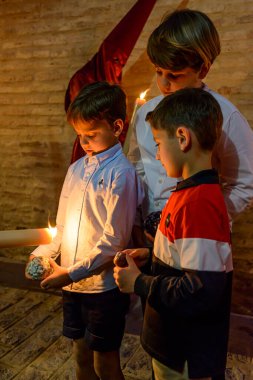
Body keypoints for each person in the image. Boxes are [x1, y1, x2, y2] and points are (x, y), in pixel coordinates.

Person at [26, 81, 144, 380]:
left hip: (103, 289)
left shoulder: (122, 174)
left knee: (104, 362)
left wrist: (70, 272)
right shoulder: (75, 169)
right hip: (71, 286)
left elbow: (112, 242)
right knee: (80, 355)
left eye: (90, 135)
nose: (84, 142)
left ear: (117, 127)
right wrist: (41, 255)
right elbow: (62, 227)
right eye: (79, 135)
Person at [114, 87, 233, 380]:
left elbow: (201, 291)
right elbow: (185, 262)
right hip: (172, 346)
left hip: (185, 356)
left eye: (157, 143)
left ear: (182, 138)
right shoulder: (188, 192)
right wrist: (153, 258)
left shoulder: (199, 204)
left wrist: (140, 283)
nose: (156, 153)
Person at [127, 8, 253, 242]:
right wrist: (135, 223)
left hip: (199, 237)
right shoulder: (146, 112)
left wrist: (200, 219)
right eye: (158, 72)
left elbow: (243, 184)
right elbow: (139, 169)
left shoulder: (227, 117)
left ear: (202, 69)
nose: (163, 84)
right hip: (150, 235)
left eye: (174, 76)